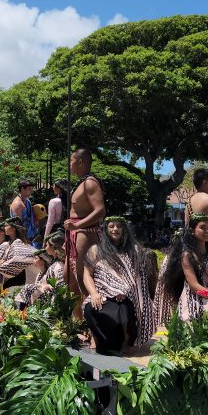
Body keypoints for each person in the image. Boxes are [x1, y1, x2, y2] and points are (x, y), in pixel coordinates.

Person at [82, 217, 155, 354]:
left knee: (123, 310)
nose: (115, 229)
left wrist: (123, 290)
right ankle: (96, 338)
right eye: (111, 226)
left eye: (118, 226)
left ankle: (126, 342)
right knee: (90, 308)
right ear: (106, 229)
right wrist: (94, 294)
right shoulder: (96, 250)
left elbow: (137, 276)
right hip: (101, 293)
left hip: (126, 295)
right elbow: (87, 275)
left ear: (124, 229)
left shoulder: (133, 250)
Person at [158, 214, 208, 326]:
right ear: (192, 231)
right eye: (203, 228)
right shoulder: (187, 255)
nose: (207, 231)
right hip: (194, 297)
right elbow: (194, 286)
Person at [63, 148, 106, 298]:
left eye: (71, 161)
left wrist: (77, 225)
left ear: (80, 162)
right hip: (75, 232)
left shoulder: (90, 183)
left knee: (81, 277)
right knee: (69, 277)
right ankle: (77, 312)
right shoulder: (83, 182)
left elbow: (100, 211)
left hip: (84, 233)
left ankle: (89, 310)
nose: (69, 165)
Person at [0, 218, 36, 287]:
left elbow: (14, 261)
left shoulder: (19, 242)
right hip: (10, 272)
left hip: (20, 275)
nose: (4, 228)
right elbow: (3, 260)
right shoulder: (10, 243)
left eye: (6, 226)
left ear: (13, 228)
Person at [9, 179, 39, 246]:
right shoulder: (17, 204)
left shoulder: (27, 200)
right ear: (22, 189)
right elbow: (18, 227)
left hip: (32, 238)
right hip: (23, 241)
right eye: (29, 189)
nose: (31, 191)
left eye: (32, 189)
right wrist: (26, 242)